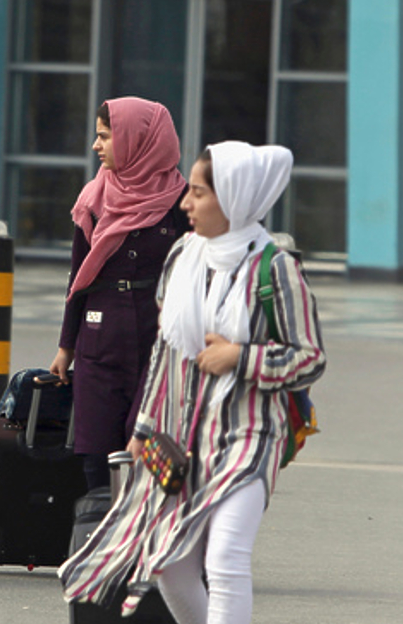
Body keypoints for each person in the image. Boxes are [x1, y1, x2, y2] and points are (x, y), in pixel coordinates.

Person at [59, 141, 326, 624]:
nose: (186, 203)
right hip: (185, 440)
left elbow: (309, 359)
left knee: (224, 559)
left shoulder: (275, 268)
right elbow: (166, 350)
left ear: (234, 198)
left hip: (250, 438)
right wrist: (143, 429)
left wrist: (240, 358)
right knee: (171, 565)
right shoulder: (184, 254)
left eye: (199, 194)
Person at [49, 97, 190, 491]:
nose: (97, 146)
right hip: (99, 338)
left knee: (145, 441)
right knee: (95, 449)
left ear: (138, 140)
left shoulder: (181, 200)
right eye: (98, 136)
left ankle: (143, 540)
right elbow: (78, 277)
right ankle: (101, 541)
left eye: (105, 137)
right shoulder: (94, 199)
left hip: (159, 338)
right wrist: (66, 347)